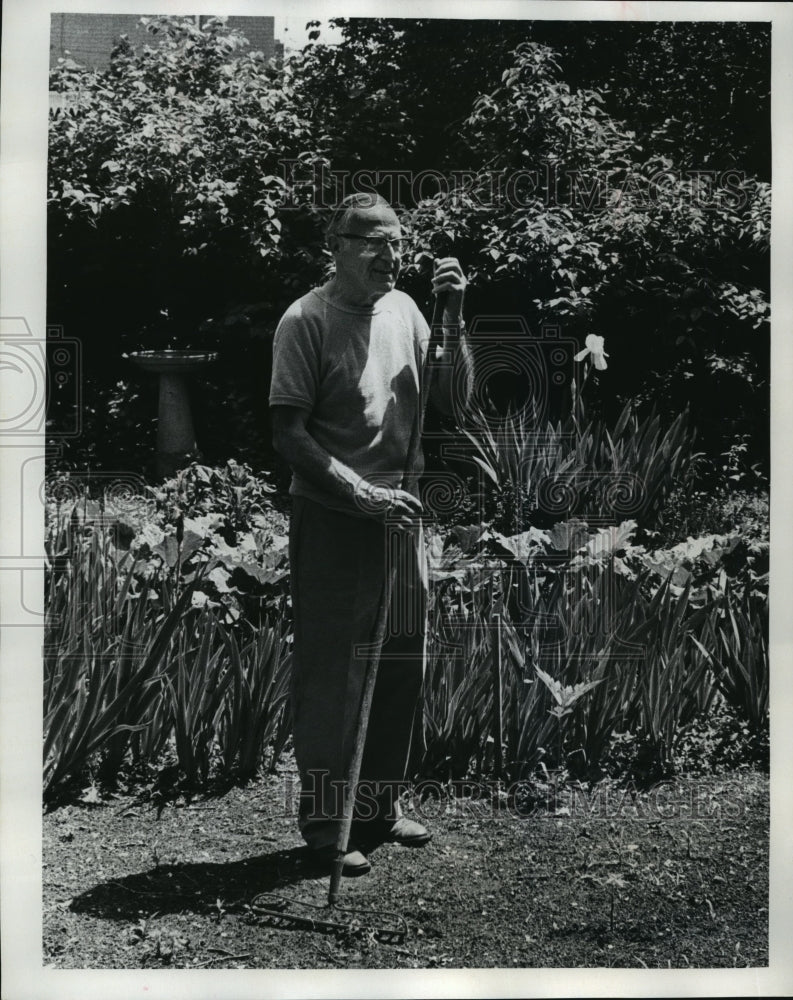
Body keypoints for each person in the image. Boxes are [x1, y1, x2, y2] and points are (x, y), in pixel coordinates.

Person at [269, 192, 473, 876]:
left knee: (399, 665)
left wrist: (452, 316)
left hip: (401, 517)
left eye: (398, 243)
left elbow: (453, 402)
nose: (393, 256)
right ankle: (327, 826)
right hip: (334, 516)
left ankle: (378, 811)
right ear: (337, 245)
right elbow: (287, 434)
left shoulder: (409, 311)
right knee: (335, 673)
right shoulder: (305, 321)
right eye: (376, 244)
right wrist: (358, 491)